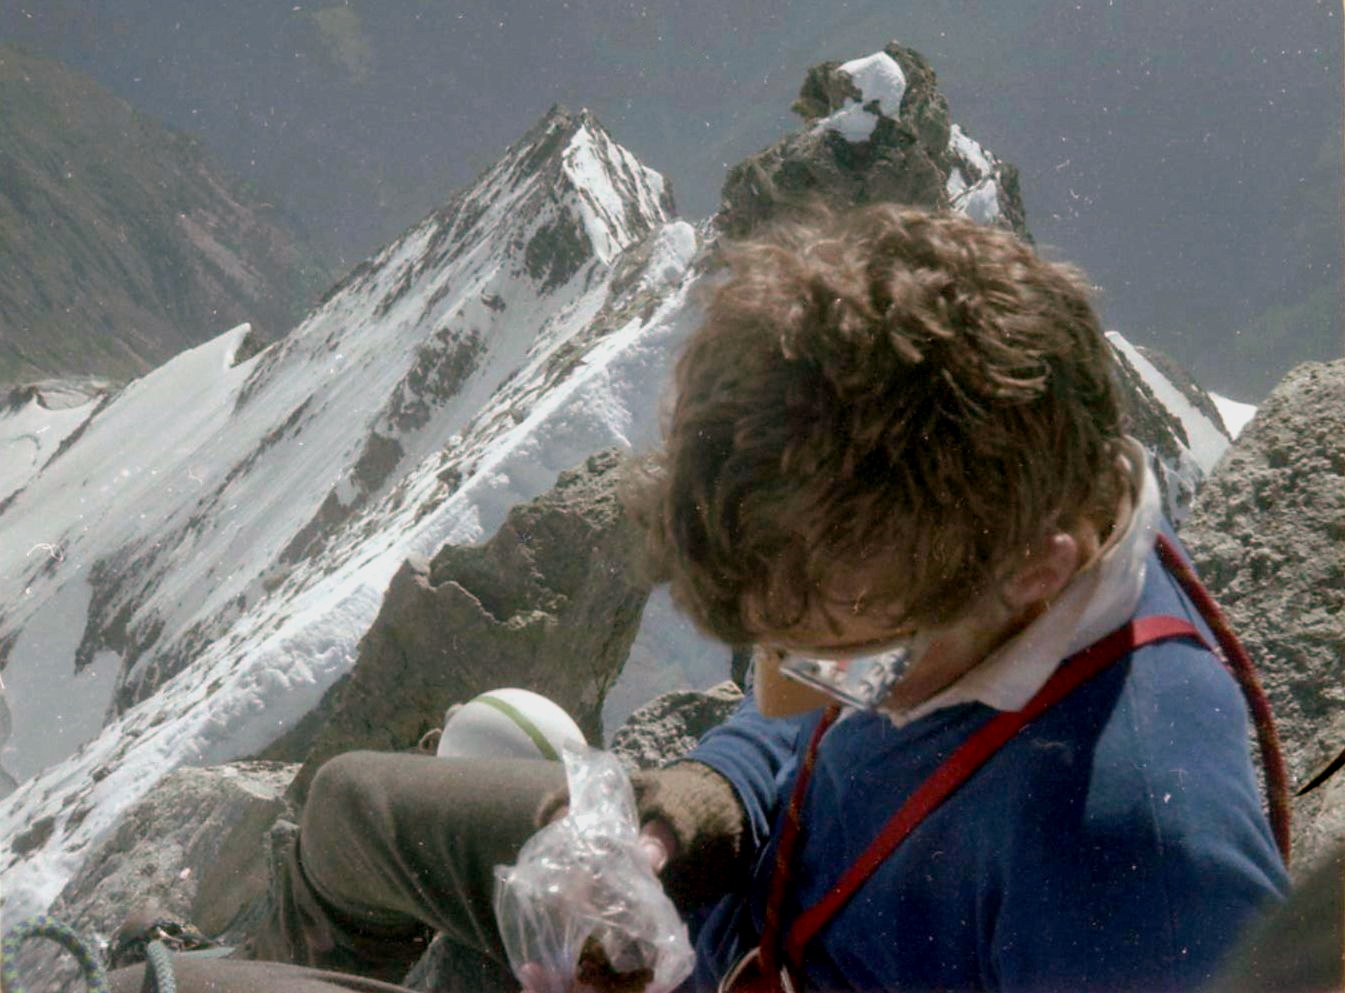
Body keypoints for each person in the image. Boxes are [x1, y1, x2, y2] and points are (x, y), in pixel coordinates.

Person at [109, 204, 1288, 993]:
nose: (788, 682)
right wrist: (687, 815)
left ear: (1039, 566)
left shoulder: (1136, 862)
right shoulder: (1003, 515)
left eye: (842, 660)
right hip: (717, 919)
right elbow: (794, 729)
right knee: (349, 806)